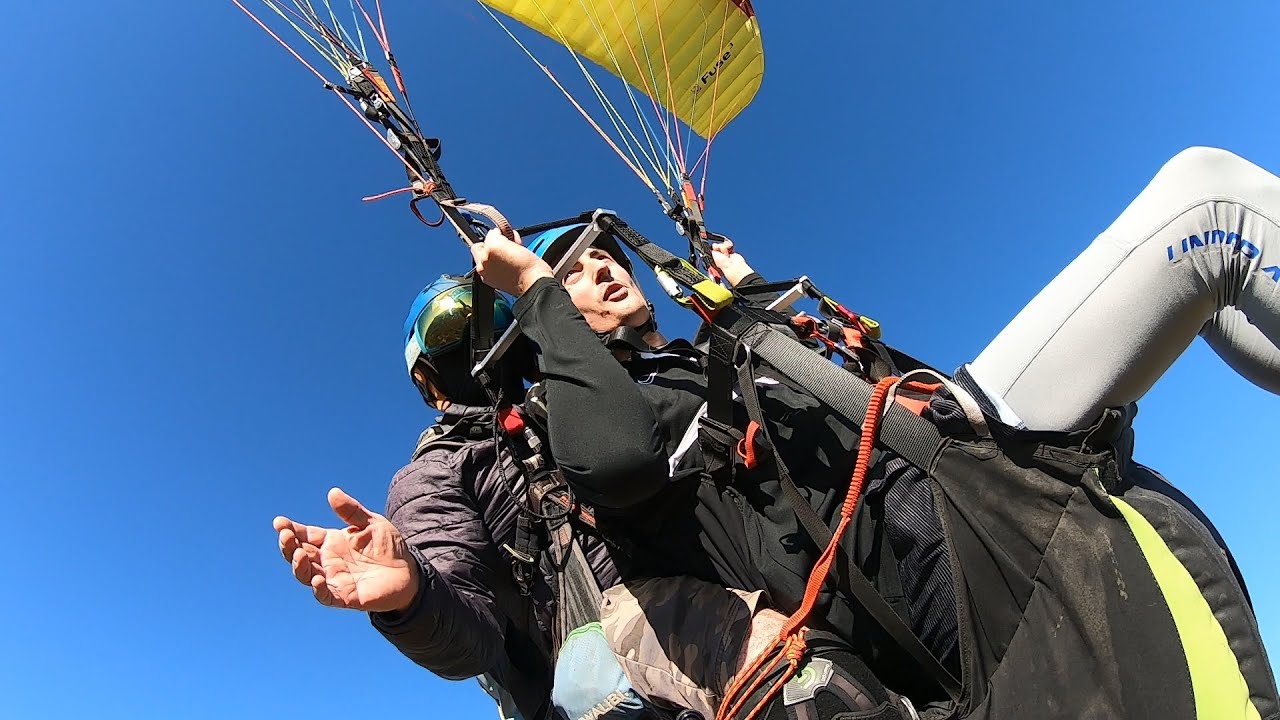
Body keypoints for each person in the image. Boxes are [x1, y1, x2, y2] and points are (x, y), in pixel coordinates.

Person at [469, 146, 1280, 716]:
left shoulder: (710, 359)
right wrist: (537, 296)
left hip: (964, 474)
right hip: (949, 570)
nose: (602, 268)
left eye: (603, 253)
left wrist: (752, 301)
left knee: (1215, 232)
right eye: (572, 269)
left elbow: (871, 392)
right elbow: (614, 457)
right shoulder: (594, 421)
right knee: (1204, 204)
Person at [271, 275, 650, 720]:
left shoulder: (580, 399)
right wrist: (414, 597)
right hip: (600, 679)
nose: (476, 334)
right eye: (449, 327)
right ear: (428, 381)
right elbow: (471, 641)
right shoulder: (433, 475)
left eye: (492, 318)